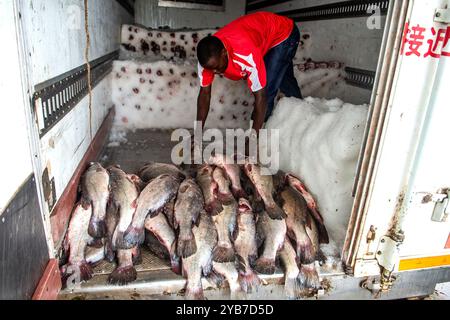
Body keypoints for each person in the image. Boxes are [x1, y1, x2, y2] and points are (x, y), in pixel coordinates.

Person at [195, 11, 303, 138]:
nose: (214, 72)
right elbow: (204, 95)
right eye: (209, 69)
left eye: (216, 67)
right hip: (263, 36)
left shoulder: (245, 55)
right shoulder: (207, 61)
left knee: (269, 85)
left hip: (284, 33)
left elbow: (262, 96)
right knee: (284, 77)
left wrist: (252, 138)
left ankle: (262, 137)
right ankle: (303, 113)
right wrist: (197, 134)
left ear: (224, 53)